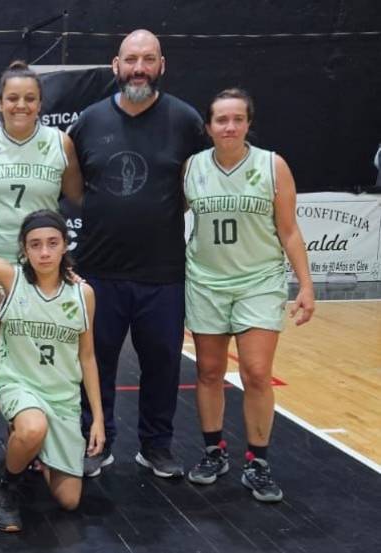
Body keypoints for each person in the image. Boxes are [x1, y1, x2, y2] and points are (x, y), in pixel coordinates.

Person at [66, 29, 206, 478]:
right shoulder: (89, 121)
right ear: (116, 65)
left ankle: (156, 447)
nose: (139, 68)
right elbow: (76, 190)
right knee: (95, 362)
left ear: (162, 64)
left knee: (162, 363)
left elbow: (191, 186)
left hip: (162, 272)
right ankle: (97, 443)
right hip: (99, 270)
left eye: (148, 59)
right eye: (131, 60)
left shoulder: (185, 121)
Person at [184, 89, 314, 502]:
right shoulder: (192, 168)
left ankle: (258, 462)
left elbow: (289, 231)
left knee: (256, 372)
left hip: (258, 281)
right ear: (208, 127)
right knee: (209, 371)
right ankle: (214, 451)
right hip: (206, 281)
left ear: (248, 124)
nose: (229, 126)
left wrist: (306, 285)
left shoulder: (272, 166)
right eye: (221, 120)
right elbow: (165, 216)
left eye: (237, 119)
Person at [0, 60, 82, 475]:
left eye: (29, 98)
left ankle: (27, 438)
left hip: (39, 271)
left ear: (40, 104)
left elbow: (75, 197)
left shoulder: (59, 144)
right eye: (13, 98)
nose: (21, 105)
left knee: (30, 356)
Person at [0, 210, 104, 532]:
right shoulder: (12, 279)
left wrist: (98, 418)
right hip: (18, 384)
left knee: (69, 500)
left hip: (61, 396)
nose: (44, 252)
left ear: (65, 245)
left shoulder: (83, 294)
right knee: (33, 427)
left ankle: (32, 450)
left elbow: (87, 357)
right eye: (35, 244)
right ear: (24, 249)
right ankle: (9, 486)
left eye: (52, 243)